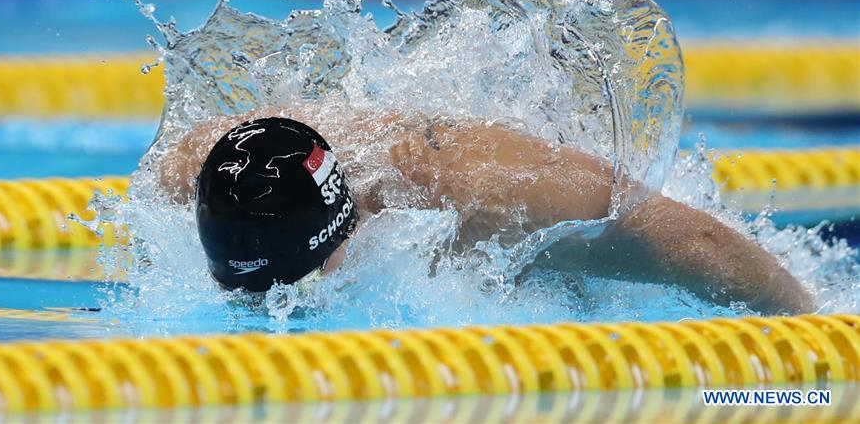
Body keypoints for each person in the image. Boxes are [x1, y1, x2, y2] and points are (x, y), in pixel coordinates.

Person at [155, 106, 814, 315]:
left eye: (291, 289)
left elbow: (695, 241)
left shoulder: (492, 197)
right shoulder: (206, 171)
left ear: (342, 231)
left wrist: (815, 342)